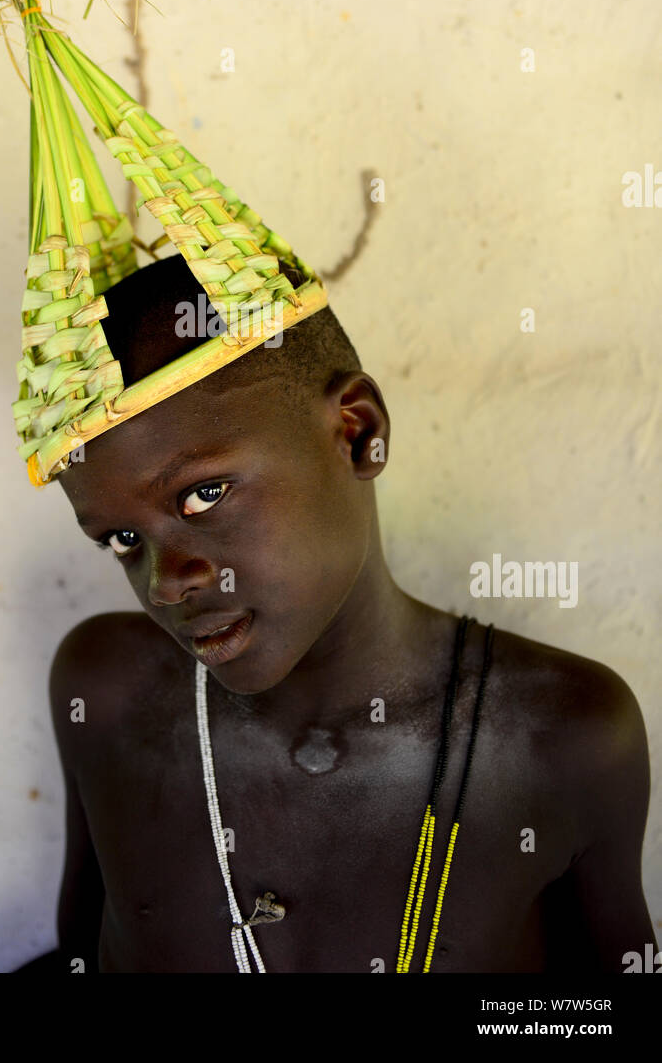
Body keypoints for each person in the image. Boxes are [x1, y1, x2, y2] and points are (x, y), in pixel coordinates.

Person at [36, 253, 656, 973]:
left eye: (203, 496)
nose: (167, 582)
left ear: (358, 433)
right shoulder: (106, 692)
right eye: (122, 539)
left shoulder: (560, 733)